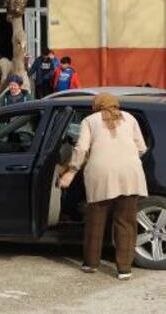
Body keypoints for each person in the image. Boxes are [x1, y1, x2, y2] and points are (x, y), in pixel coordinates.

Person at [59, 93, 147, 280]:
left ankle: (91, 264)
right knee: (126, 222)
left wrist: (72, 170)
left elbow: (81, 148)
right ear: (116, 104)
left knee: (95, 221)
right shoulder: (129, 118)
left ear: (96, 106)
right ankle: (124, 269)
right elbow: (142, 147)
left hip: (100, 174)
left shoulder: (89, 120)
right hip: (130, 174)